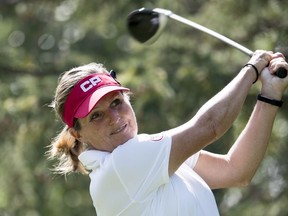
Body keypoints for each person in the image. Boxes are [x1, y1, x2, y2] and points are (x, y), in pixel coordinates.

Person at [48, 50, 288, 216]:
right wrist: (251, 69)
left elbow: (236, 170)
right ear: (77, 134)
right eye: (96, 116)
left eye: (116, 102)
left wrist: (270, 93)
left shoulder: (154, 156)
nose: (115, 118)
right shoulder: (122, 166)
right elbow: (210, 126)